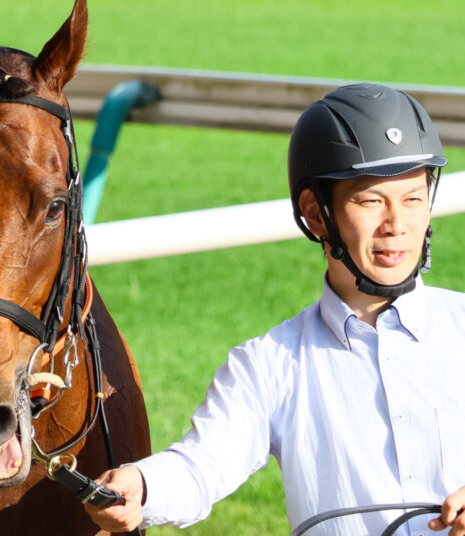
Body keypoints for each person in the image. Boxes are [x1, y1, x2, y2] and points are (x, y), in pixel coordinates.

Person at [84, 83, 465, 535]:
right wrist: (142, 486)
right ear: (317, 214)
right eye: (371, 200)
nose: (398, 225)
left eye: (413, 198)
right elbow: (202, 465)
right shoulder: (268, 366)